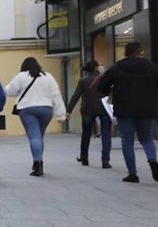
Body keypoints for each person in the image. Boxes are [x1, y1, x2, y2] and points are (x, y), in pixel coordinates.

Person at [97, 42, 158, 183]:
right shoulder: (152, 67)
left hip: (124, 110)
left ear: (125, 52)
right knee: (147, 138)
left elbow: (102, 87)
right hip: (147, 109)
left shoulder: (116, 68)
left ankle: (132, 174)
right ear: (140, 52)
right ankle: (153, 161)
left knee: (127, 141)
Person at [4, 57, 66, 177]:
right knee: (39, 136)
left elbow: (11, 91)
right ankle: (38, 161)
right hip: (47, 109)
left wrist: (6, 88)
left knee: (34, 136)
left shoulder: (22, 76)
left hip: (28, 109)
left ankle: (37, 164)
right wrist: (61, 115)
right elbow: (56, 95)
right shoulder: (48, 76)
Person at [66, 60, 112, 169]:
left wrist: (69, 110)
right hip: (104, 110)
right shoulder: (105, 79)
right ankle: (105, 161)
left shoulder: (83, 81)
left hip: (88, 110)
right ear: (96, 67)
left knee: (86, 134)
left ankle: (84, 158)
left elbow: (76, 96)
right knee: (106, 135)